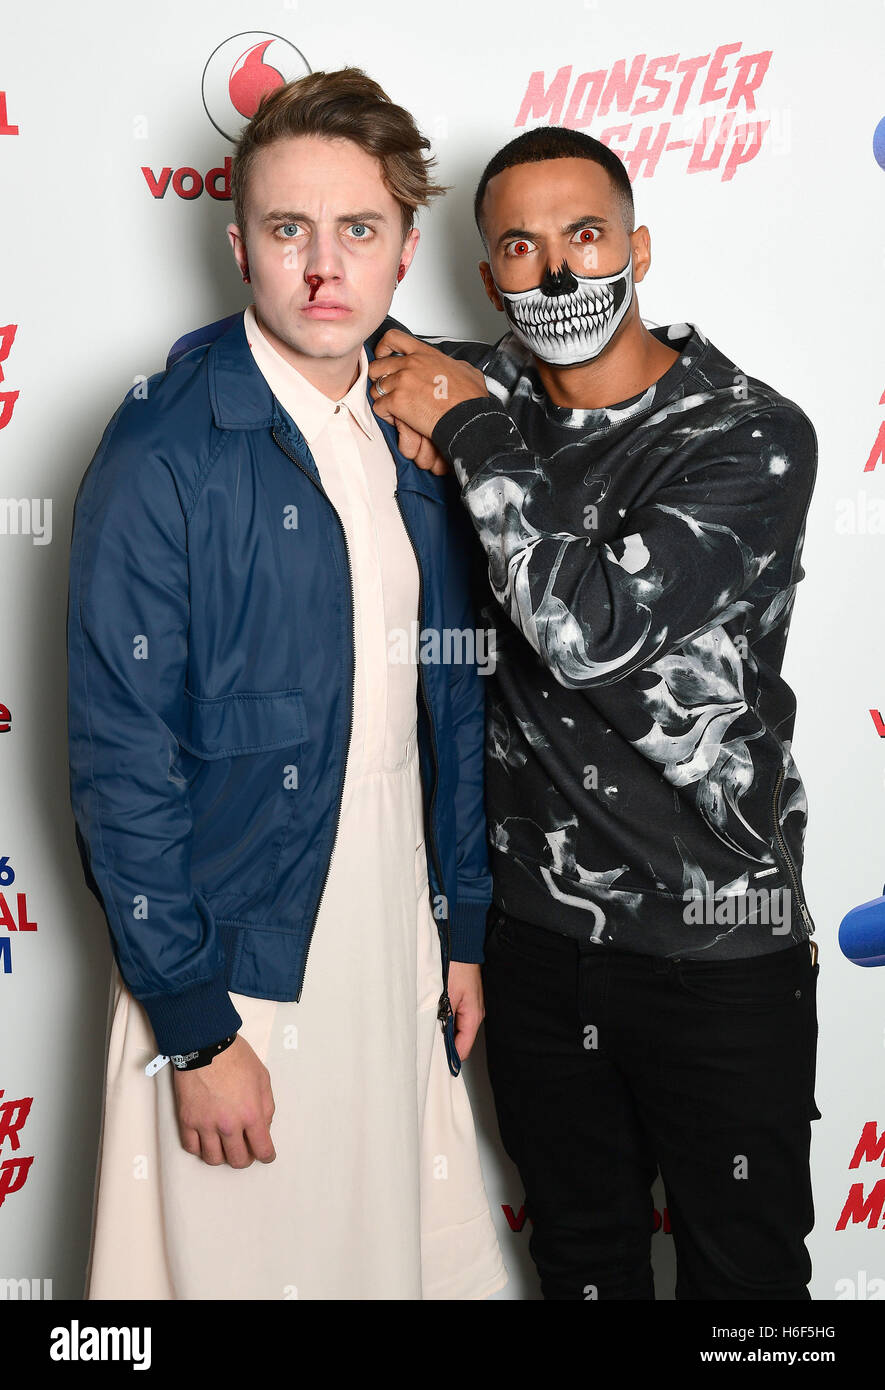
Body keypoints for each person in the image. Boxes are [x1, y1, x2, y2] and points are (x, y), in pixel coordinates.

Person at [67, 67, 506, 1301]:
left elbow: (444, 712)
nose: (324, 269)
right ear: (238, 246)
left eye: (358, 231)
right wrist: (198, 1027)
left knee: (395, 1261)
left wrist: (459, 932)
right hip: (237, 957)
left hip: (393, 939)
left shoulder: (414, 424)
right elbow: (118, 755)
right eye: (287, 231)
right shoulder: (163, 444)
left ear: (407, 247)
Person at [366, 125, 820, 1300]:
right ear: (486, 278)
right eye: (521, 246)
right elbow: (334, 328)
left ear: (640, 246)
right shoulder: (489, 383)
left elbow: (588, 632)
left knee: (748, 1285)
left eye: (586, 235)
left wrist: (463, 427)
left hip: (718, 950)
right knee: (579, 1265)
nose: (559, 273)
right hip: (538, 948)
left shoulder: (752, 436)